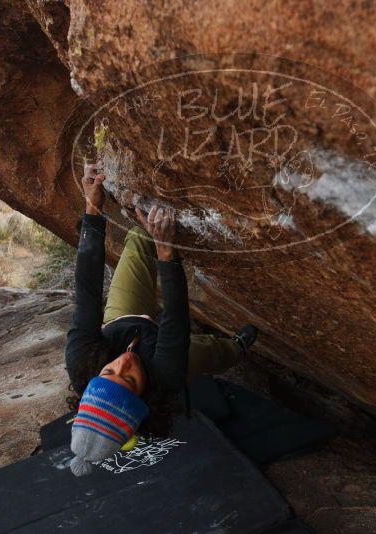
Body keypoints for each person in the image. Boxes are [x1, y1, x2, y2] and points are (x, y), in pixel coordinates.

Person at [66, 161, 258, 476]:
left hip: (124, 319)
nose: (124, 362)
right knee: (207, 352)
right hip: (162, 348)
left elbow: (86, 287)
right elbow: (175, 317)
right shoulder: (164, 377)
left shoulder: (81, 358)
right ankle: (237, 348)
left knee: (141, 237)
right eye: (128, 379)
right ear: (142, 394)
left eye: (109, 370)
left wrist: (92, 207)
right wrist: (167, 252)